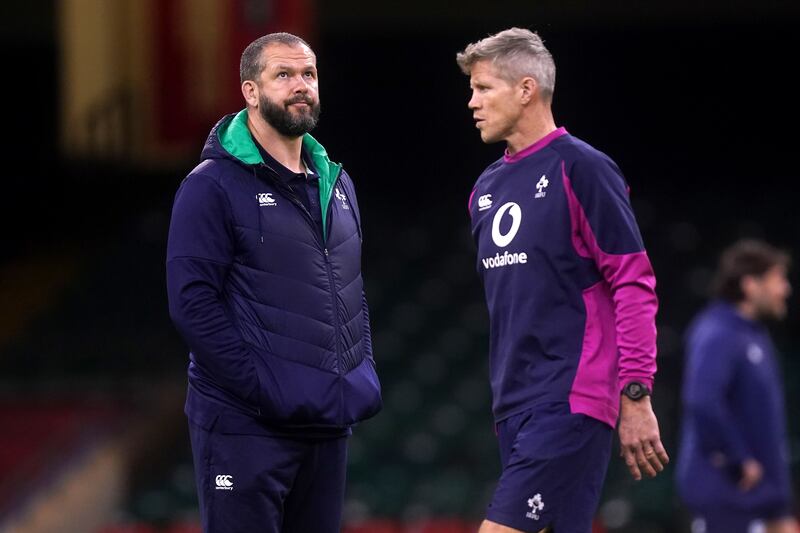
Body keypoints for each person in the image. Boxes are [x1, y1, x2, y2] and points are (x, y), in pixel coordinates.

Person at [166, 32, 381, 533]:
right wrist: (261, 387)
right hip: (245, 425)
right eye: (282, 75)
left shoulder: (338, 183)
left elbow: (349, 288)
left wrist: (357, 369)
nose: (300, 86)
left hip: (325, 424)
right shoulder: (210, 186)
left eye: (308, 74)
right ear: (250, 91)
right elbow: (191, 304)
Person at [457, 28, 669, 533]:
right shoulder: (484, 189)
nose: (472, 102)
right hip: (512, 404)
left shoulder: (583, 169)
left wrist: (635, 393)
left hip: (570, 398)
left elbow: (633, 282)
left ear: (526, 89)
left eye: (484, 88)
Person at [677, 240, 798, 533]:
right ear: (750, 284)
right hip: (728, 497)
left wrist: (779, 504)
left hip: (761, 500)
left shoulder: (755, 336)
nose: (786, 289)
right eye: (778, 279)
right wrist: (739, 458)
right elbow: (702, 400)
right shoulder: (717, 332)